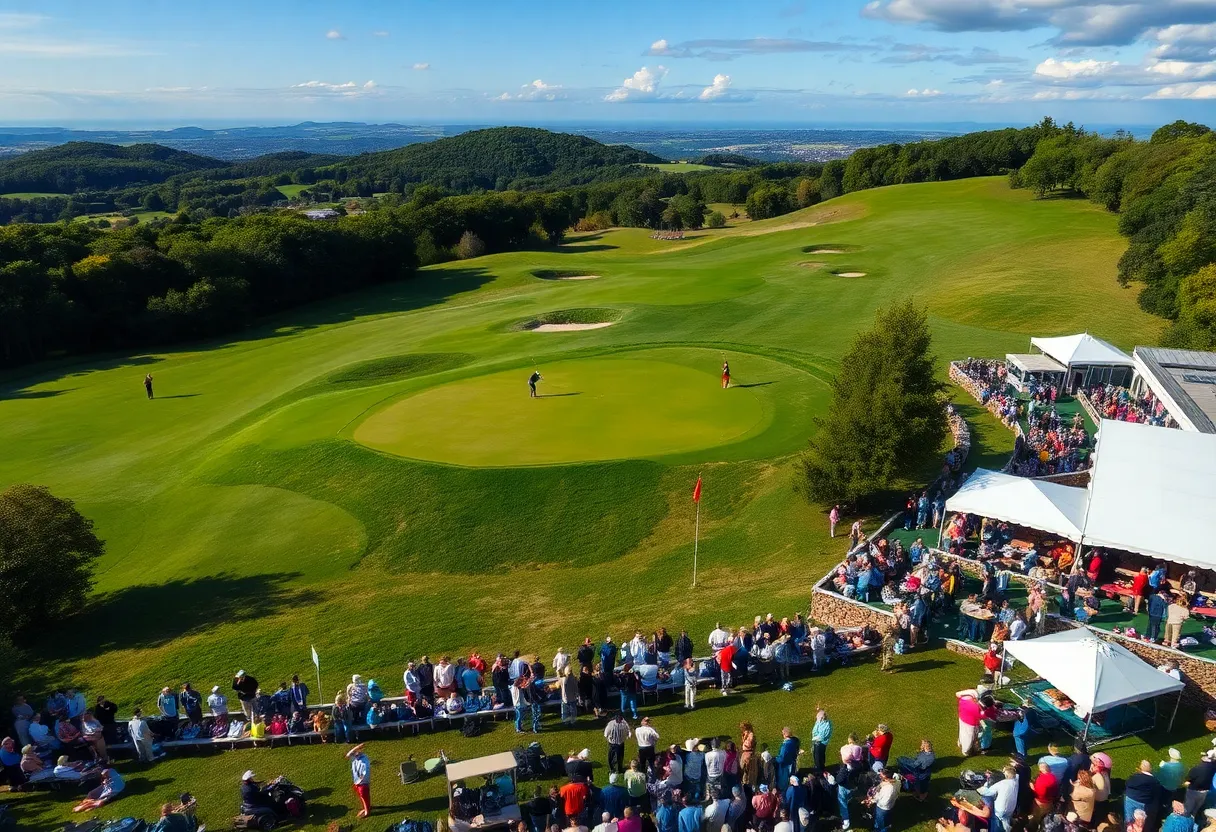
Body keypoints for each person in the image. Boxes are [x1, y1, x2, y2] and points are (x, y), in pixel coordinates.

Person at [978, 766, 1020, 832]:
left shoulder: (1001, 784)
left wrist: (984, 786)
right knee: (1006, 819)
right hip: (1011, 807)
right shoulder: (1016, 779)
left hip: (1000, 810)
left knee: (996, 823)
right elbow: (1015, 773)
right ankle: (1007, 829)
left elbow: (986, 792)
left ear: (1005, 776)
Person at [1125, 761, 1160, 826]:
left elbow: (1127, 784)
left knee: (1129, 817)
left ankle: (1129, 828)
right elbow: (1156, 794)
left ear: (1141, 768)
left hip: (1130, 799)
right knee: (1141, 819)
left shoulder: (1134, 777)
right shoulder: (1154, 781)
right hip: (1144, 802)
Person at [1185, 751, 1216, 817]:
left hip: (1193, 791)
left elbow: (1188, 779)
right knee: (1197, 807)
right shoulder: (1213, 767)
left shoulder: (1196, 769)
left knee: (1188, 807)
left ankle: (1186, 818)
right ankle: (1193, 816)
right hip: (1205, 791)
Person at [347, 742, 371, 818]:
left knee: (364, 797)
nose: (355, 752)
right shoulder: (355, 757)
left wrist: (360, 781)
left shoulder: (364, 759)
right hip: (357, 783)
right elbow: (348, 755)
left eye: (358, 750)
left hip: (362, 783)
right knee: (362, 797)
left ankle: (367, 812)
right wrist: (356, 747)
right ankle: (366, 808)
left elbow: (365, 772)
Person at [739, 722, 758, 787]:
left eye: (742, 728)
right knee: (742, 769)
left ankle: (749, 784)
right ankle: (744, 783)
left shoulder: (751, 734)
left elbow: (749, 744)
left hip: (748, 753)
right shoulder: (744, 734)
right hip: (744, 753)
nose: (741, 730)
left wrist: (745, 739)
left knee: (748, 770)